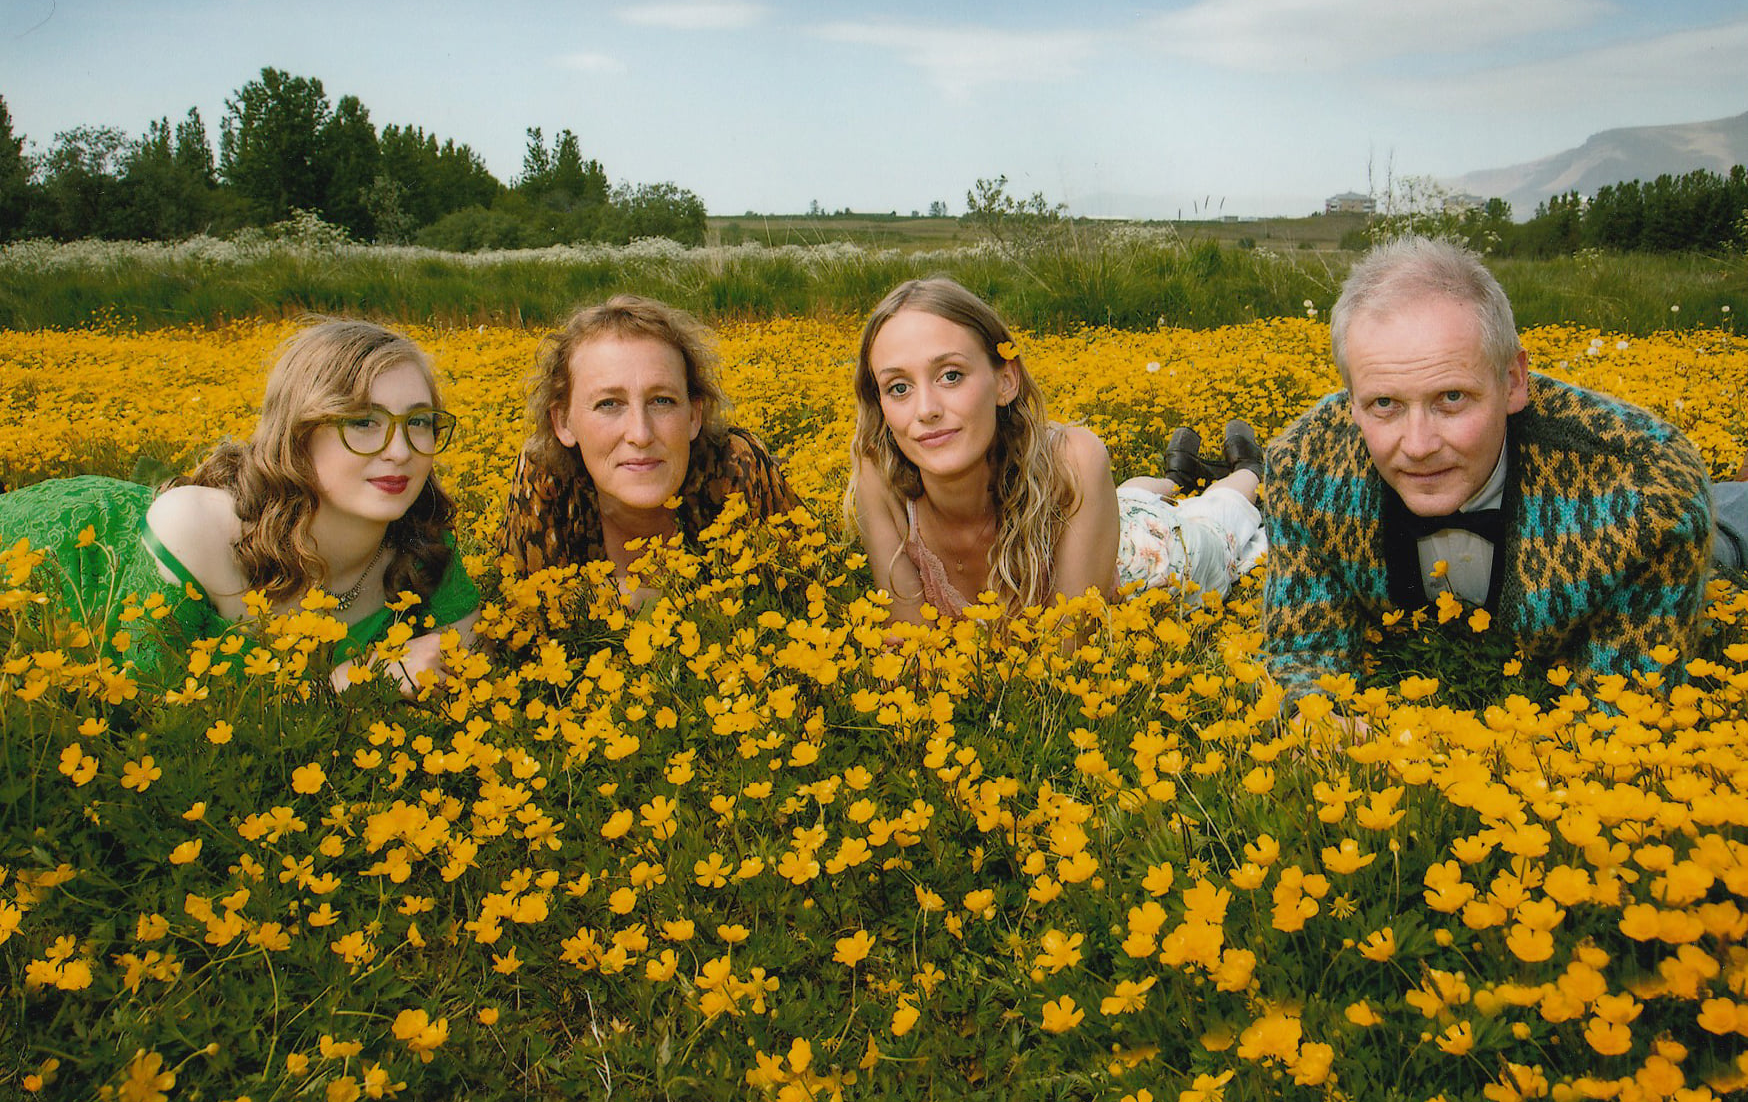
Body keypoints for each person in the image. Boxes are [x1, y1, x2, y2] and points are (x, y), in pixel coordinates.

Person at [1262, 235, 1739, 707]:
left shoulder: (1645, 493)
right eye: (1384, 404)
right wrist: (1320, 719)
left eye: (1451, 398)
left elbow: (1623, 710)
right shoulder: (1303, 470)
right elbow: (1303, 654)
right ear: (1351, 402)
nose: (1419, 445)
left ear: (1513, 382)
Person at [0, 319, 480, 689]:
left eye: (419, 421)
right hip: (53, 546)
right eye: (362, 422)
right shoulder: (195, 529)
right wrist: (359, 678)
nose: (400, 451)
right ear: (297, 434)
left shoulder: (424, 544)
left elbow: (467, 651)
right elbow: (148, 706)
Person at [846, 277, 1267, 625]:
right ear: (880, 404)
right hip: (1098, 511)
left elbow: (1067, 649)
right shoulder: (877, 477)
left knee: (1215, 517)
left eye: (951, 376)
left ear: (1005, 380)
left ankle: (1247, 468)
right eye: (898, 387)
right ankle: (1177, 475)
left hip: (1148, 552)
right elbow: (912, 649)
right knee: (1127, 498)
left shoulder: (1076, 458)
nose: (926, 410)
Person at [498, 295, 798, 597]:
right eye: (608, 404)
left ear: (694, 416)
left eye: (662, 401)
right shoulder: (546, 480)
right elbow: (525, 619)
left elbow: (800, 590)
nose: (640, 434)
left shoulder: (736, 468)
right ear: (563, 422)